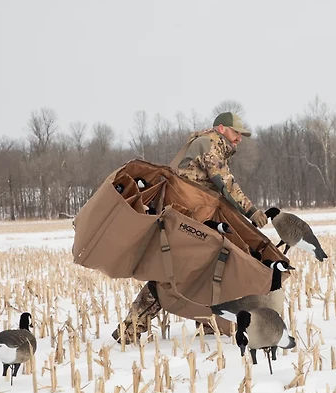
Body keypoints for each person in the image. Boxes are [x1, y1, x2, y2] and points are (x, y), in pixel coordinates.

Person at [112, 111, 268, 344]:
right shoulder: (208, 144)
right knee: (171, 276)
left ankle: (207, 323)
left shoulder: (206, 143)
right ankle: (131, 328)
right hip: (185, 221)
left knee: (209, 268)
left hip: (191, 220)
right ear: (222, 128)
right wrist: (251, 211)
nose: (239, 139)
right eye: (236, 133)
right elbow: (225, 183)